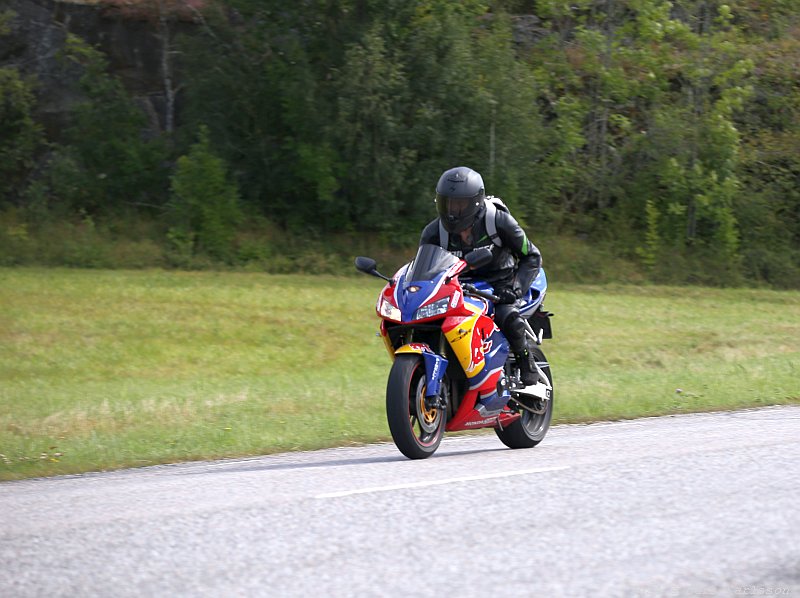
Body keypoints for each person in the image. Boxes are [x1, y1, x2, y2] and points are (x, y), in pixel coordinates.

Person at [419, 166, 542, 385]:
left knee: (508, 317)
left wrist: (514, 289)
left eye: (459, 204)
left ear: (475, 202)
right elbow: (424, 269)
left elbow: (532, 256)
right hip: (458, 286)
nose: (452, 211)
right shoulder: (433, 232)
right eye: (447, 203)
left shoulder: (499, 221)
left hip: (500, 285)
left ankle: (526, 362)